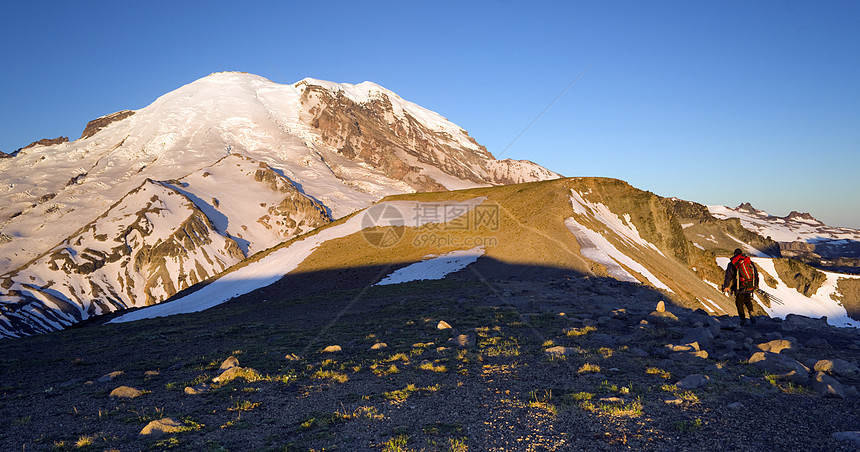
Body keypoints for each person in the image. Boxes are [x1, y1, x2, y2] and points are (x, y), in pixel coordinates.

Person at [722, 248, 759, 325]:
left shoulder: (733, 263)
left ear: (735, 254)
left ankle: (743, 320)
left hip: (739, 286)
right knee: (747, 299)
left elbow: (728, 275)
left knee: (739, 303)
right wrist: (755, 285)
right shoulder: (749, 262)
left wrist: (726, 285)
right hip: (749, 285)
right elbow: (755, 274)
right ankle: (751, 312)